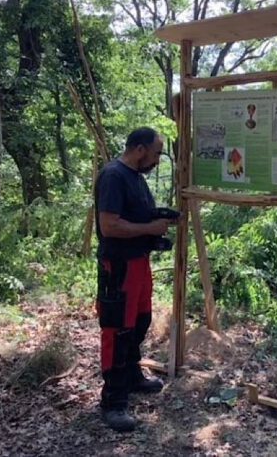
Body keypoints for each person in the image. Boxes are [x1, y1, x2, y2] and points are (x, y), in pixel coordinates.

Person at [95, 127, 174, 432]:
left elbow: (137, 216)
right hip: (119, 265)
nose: (156, 160)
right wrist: (151, 229)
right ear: (140, 149)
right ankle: (113, 402)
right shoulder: (114, 176)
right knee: (117, 331)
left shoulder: (136, 178)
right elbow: (110, 225)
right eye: (155, 153)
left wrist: (160, 218)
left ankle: (131, 376)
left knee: (140, 322)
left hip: (139, 262)